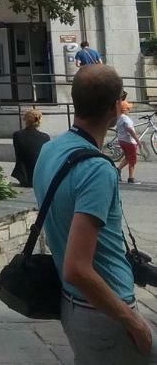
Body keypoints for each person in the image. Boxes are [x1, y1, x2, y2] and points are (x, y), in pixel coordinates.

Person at [33, 65, 157, 364]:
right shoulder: (97, 170)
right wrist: (134, 322)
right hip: (104, 311)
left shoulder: (51, 149)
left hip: (73, 304)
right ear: (116, 106)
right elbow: (77, 267)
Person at [11, 108, 50, 188]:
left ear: (25, 120)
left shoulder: (17, 135)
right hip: (40, 176)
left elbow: (19, 154)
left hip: (23, 175)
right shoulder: (45, 137)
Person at [116, 99, 141, 184]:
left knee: (127, 157)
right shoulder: (126, 119)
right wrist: (137, 140)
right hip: (130, 142)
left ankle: (118, 169)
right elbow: (129, 129)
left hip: (122, 140)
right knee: (132, 160)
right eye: (128, 108)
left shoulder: (119, 118)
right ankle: (131, 178)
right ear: (124, 110)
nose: (129, 110)